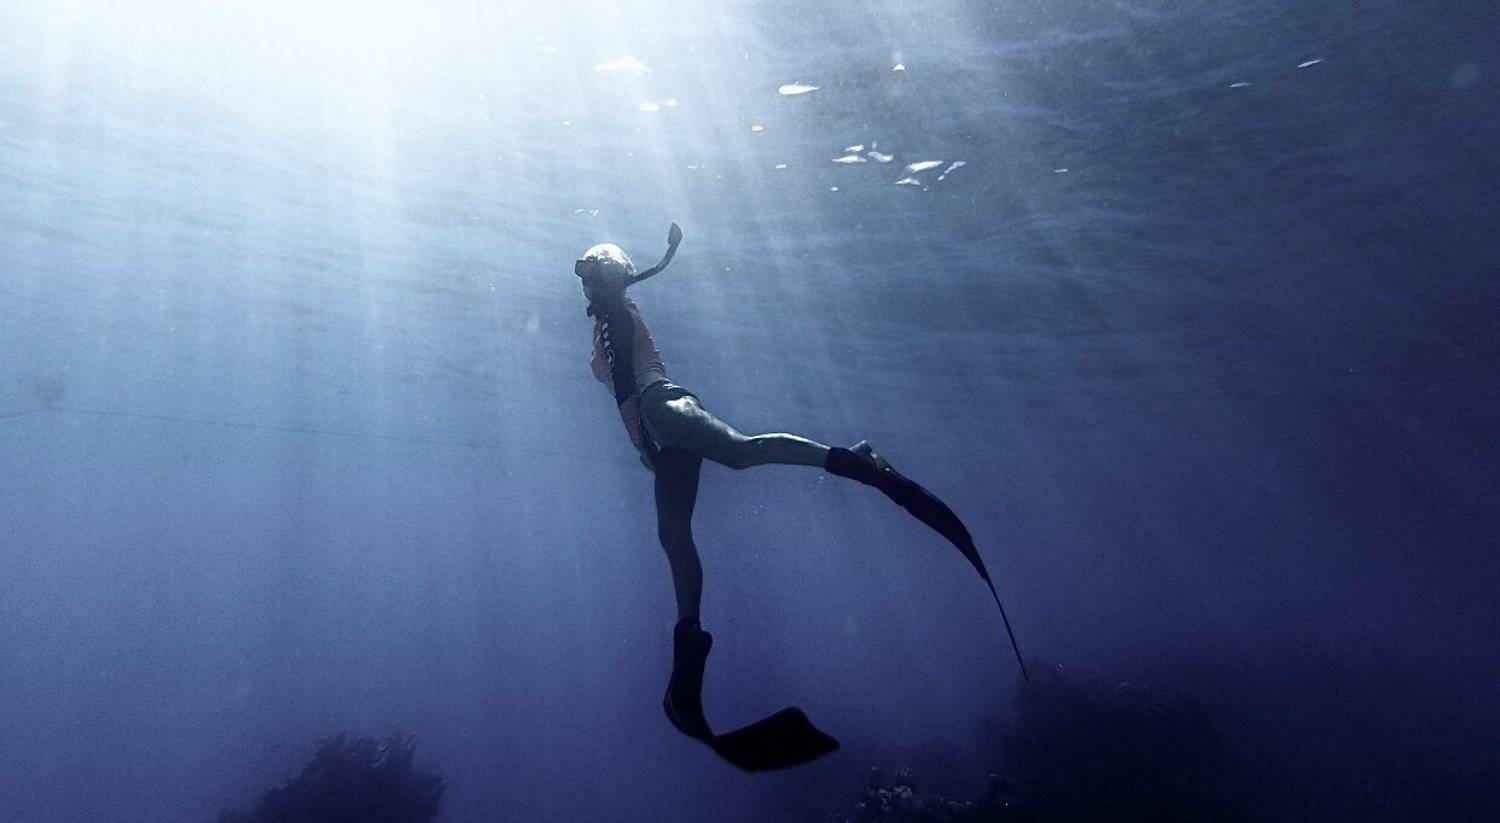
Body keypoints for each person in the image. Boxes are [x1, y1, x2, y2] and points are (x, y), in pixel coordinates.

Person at [577, 225, 1024, 771]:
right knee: (672, 535)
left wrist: (623, 279)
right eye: (583, 277)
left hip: (661, 405)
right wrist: (644, 446)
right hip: (655, 434)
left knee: (739, 452)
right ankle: (688, 644)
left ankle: (853, 459)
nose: (586, 285)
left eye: (592, 274)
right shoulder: (603, 320)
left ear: (612, 276)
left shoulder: (618, 311)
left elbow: (629, 377)